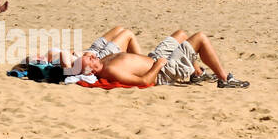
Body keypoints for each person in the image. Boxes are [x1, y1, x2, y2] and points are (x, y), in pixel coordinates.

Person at [85, 30, 250, 88]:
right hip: (164, 70)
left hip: (155, 59)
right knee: (200, 38)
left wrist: (154, 60)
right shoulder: (110, 70)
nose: (92, 56)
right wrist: (158, 65)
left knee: (181, 35)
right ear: (92, 70)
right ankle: (224, 79)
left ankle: (197, 74)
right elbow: (144, 82)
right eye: (90, 59)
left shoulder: (104, 59)